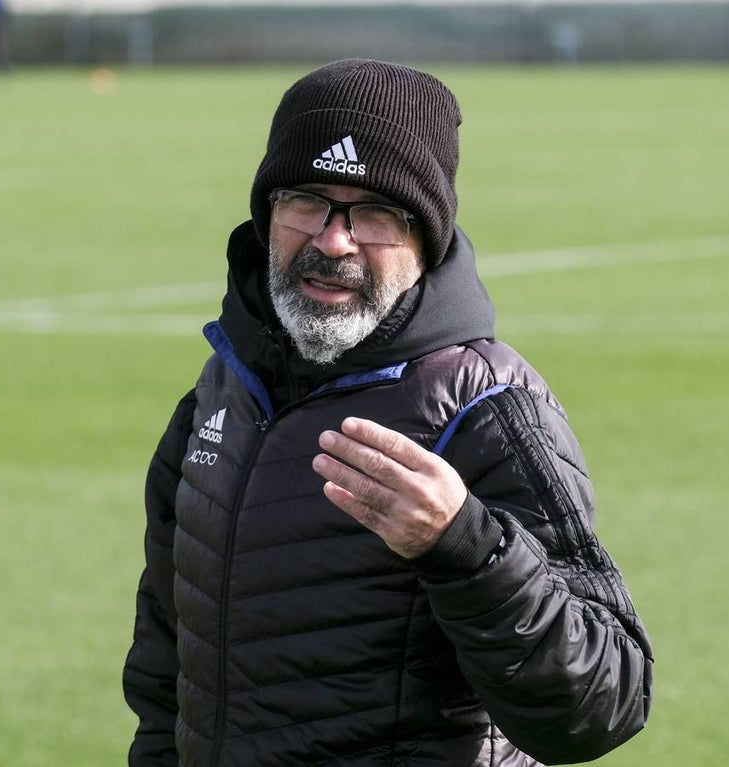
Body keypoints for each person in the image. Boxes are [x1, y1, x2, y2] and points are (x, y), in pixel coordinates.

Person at [123, 59, 653, 767]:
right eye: (307, 200)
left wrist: (464, 545)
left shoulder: (486, 410)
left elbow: (604, 702)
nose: (333, 240)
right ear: (267, 213)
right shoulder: (221, 395)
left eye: (376, 212)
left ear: (427, 239)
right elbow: (168, 677)